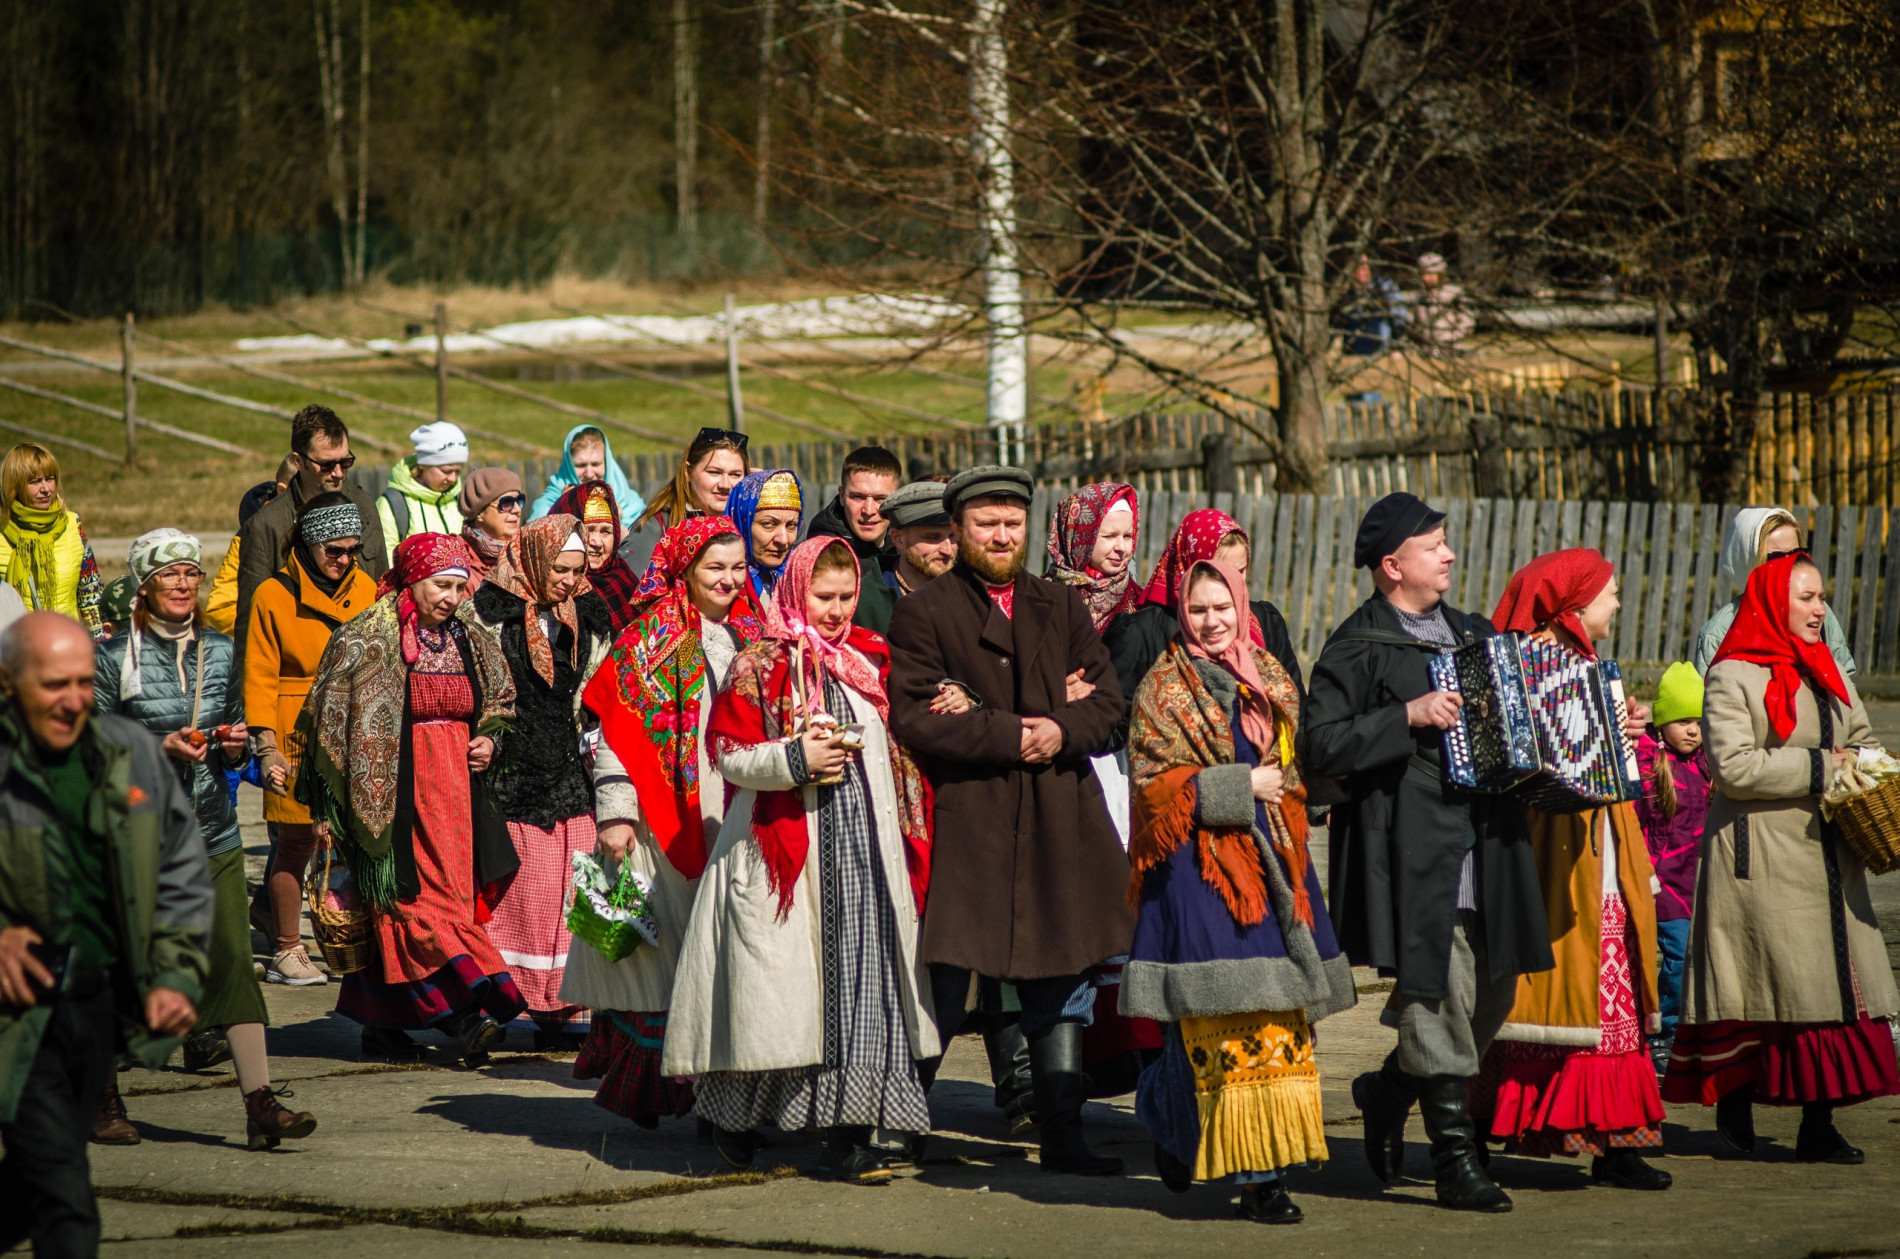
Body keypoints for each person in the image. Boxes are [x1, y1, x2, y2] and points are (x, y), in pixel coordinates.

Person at [1304, 491, 1552, 1213]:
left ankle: (1384, 1089)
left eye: (1446, 543)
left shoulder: (1474, 633)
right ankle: (1452, 1160)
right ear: (1391, 565)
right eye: (1433, 544)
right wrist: (1404, 715)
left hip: (1490, 842)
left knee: (1490, 996)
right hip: (1413, 848)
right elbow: (1319, 744)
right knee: (1437, 997)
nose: (1448, 554)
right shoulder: (1358, 644)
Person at [663, 536, 938, 1184]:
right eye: (824, 596)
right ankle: (733, 1121)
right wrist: (795, 760)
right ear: (797, 590)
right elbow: (728, 752)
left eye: (846, 597)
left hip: (865, 858)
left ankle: (845, 1138)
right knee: (775, 1003)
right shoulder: (760, 663)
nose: (838, 609)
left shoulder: (869, 662)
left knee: (856, 999)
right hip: (783, 855)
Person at [888, 465, 1134, 1177]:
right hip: (974, 820)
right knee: (945, 976)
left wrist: (1056, 730)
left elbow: (1109, 702)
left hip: (1061, 818)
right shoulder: (927, 611)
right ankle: (903, 1123)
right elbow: (916, 715)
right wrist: (1012, 732)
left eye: (1012, 522)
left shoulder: (1061, 604)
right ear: (960, 529)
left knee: (1060, 978)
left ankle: (1061, 1131)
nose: (1002, 534)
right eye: (986, 523)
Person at [1124, 559, 1355, 1224]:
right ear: (1181, 612)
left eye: (1221, 606)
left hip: (1276, 866)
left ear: (1241, 603)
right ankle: (1253, 1175)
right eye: (1198, 609)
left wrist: (1290, 791)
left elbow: (1293, 761)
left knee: (1280, 1021)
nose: (1211, 619)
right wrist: (1237, 788)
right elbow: (1152, 785)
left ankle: (1221, 1144)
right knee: (1220, 1023)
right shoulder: (1163, 687)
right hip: (1201, 871)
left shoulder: (1270, 672)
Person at [1663, 552, 1900, 1162]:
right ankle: (1735, 1105)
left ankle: (1817, 1126)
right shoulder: (1732, 674)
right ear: (1773, 600)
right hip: (1759, 860)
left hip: (1828, 856)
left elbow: (1864, 737)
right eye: (1807, 598)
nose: (1820, 609)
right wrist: (1824, 766)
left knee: (1828, 991)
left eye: (1822, 597)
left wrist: (1872, 767)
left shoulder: (1829, 671)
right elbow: (1734, 767)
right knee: (1771, 990)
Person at [94, 530, 317, 1151]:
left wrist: (235, 745)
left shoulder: (220, 651)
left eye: (192, 574)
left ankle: (259, 1103)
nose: (184, 585)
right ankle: (102, 1094)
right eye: (170, 575)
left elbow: (238, 721)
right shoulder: (111, 658)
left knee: (233, 964)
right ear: (144, 585)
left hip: (212, 829)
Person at [0, 612, 210, 1259]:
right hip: (17, 1016)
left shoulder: (130, 750)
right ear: (8, 682)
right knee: (68, 1197)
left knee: (30, 1184)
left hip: (96, 1006)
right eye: (54, 684)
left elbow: (179, 863)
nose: (73, 701)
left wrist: (175, 974)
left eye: (85, 683)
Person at [1468, 550, 1670, 1191]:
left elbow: (1601, 760)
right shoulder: (1519, 669)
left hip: (1604, 850)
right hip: (1548, 855)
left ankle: (1615, 1141)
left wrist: (1623, 727)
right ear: (1574, 607)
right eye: (1610, 594)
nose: (1617, 604)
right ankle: (1474, 1131)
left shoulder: (1590, 671)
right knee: (1535, 990)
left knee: (1613, 989)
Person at [298, 534, 525, 1068]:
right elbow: (329, 725)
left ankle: (383, 1025)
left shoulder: (471, 636)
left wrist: (489, 738)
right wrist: (329, 812)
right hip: (390, 792)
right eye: (440, 586)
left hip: (454, 791)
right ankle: (463, 1016)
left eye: (458, 585)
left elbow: (500, 699)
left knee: (447, 895)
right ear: (413, 579)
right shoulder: (365, 639)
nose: (451, 597)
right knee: (409, 901)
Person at [564, 516, 750, 1129]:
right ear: (684, 570)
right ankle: (675, 1092)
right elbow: (616, 733)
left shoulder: (752, 633)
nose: (727, 579)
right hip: (660, 822)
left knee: (726, 958)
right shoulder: (650, 640)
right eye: (713, 567)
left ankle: (722, 1098)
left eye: (735, 566)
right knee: (669, 961)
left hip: (735, 813)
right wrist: (616, 816)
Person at [474, 515, 611, 1049]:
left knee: (573, 893)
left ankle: (570, 1011)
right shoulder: (489, 614)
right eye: (559, 568)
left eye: (577, 570)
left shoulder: (589, 614)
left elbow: (600, 685)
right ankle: (521, 1005)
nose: (569, 580)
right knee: (525, 898)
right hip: (512, 774)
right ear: (534, 560)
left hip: (572, 775)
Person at [244, 493, 379, 988]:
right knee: (296, 841)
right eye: (334, 551)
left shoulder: (365, 588)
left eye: (352, 550)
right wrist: (265, 745)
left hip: (354, 730)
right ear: (309, 542)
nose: (344, 560)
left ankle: (353, 941)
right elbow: (258, 672)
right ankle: (286, 948)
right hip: (292, 732)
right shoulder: (273, 596)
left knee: (355, 838)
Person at [1104, 509, 1302, 744]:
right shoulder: (1141, 632)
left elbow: (1297, 711)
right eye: (1218, 573)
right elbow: (1114, 723)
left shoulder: (1265, 621)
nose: (1232, 582)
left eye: (1240, 571)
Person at [235, 405, 391, 663]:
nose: (338, 473)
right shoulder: (266, 526)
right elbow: (249, 628)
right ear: (298, 462)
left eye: (345, 462)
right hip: (297, 675)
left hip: (362, 668)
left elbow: (382, 590)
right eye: (327, 465)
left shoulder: (364, 506)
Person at [1634, 661, 1709, 1073]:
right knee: (1679, 958)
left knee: (1692, 960)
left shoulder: (1704, 764)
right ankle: (1665, 1035)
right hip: (1663, 885)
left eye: (1697, 721)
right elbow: (1637, 825)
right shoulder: (1649, 767)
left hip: (1698, 881)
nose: (1692, 730)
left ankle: (1676, 1028)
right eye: (1682, 721)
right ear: (1661, 723)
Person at [1693, 508, 1855, 676]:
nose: (1789, 564)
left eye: (1796, 554)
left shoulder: (1819, 613)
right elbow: (1713, 699)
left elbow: (1846, 683)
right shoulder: (1718, 634)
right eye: (1776, 558)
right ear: (1749, 562)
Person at [0, 443, 105, 637]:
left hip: (67, 648)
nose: (46, 489)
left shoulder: (72, 524)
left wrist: (101, 650)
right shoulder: (2, 532)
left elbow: (92, 595)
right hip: (16, 655)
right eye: (34, 481)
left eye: (50, 479)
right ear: (14, 485)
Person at [624, 427, 750, 575]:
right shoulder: (656, 528)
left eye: (735, 474)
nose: (725, 485)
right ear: (688, 472)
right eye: (714, 472)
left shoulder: (751, 526)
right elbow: (626, 591)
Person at [809, 446, 901, 634]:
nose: (868, 510)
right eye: (857, 497)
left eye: (880, 498)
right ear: (842, 495)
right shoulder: (823, 551)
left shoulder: (905, 541)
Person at [207, 456, 297, 635]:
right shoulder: (250, 537)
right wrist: (275, 629)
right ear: (282, 490)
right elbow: (220, 608)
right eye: (306, 488)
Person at [553, 481, 643, 632]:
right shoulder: (557, 587)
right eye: (588, 530)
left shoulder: (624, 580)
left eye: (606, 531)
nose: (597, 542)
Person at [375, 422, 468, 554]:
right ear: (423, 464)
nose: (453, 478)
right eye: (446, 471)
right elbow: (385, 559)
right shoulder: (393, 505)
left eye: (458, 471)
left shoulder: (461, 501)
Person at [529, 424, 649, 525]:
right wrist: (563, 512)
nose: (590, 474)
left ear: (607, 464)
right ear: (569, 466)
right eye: (581, 465)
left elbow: (642, 548)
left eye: (596, 464)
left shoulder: (631, 504)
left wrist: (617, 521)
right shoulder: (546, 508)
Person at [724, 468, 804, 607]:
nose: (783, 539)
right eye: (768, 524)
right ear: (742, 523)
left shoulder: (807, 581)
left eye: (791, 525)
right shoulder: (719, 586)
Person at [882, 479, 957, 595]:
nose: (948, 551)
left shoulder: (972, 591)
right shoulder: (867, 595)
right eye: (933, 537)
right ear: (898, 539)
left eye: (953, 536)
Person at [457, 467, 525, 593]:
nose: (517, 510)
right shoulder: (457, 560)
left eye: (519, 500)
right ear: (479, 513)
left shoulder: (529, 554)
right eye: (506, 503)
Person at [1338, 255, 1408, 357]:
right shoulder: (1345, 294)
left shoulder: (1385, 288)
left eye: (1368, 267)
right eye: (1361, 268)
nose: (1366, 271)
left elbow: (1400, 320)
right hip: (1354, 353)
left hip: (1382, 352)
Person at [1412, 252, 1475, 355]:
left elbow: (1468, 321)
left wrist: (1450, 337)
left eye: (1429, 274)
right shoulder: (1421, 297)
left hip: (1450, 351)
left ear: (1440, 274)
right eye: (1422, 274)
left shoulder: (1454, 293)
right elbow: (1416, 325)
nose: (1425, 278)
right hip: (1426, 352)